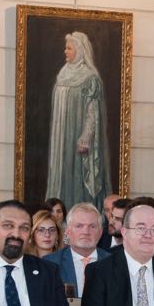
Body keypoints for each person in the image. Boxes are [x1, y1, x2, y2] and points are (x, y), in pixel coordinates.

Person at [45, 31, 112, 212]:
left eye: (69, 48)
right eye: (65, 48)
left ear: (80, 50)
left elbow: (93, 112)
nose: (65, 51)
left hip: (78, 139)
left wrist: (85, 137)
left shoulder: (90, 78)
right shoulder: (63, 73)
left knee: (77, 177)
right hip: (62, 139)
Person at [43, 202, 109, 297]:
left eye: (92, 226)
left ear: (100, 232)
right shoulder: (49, 264)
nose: (86, 232)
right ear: (68, 231)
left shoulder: (114, 263)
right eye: (79, 226)